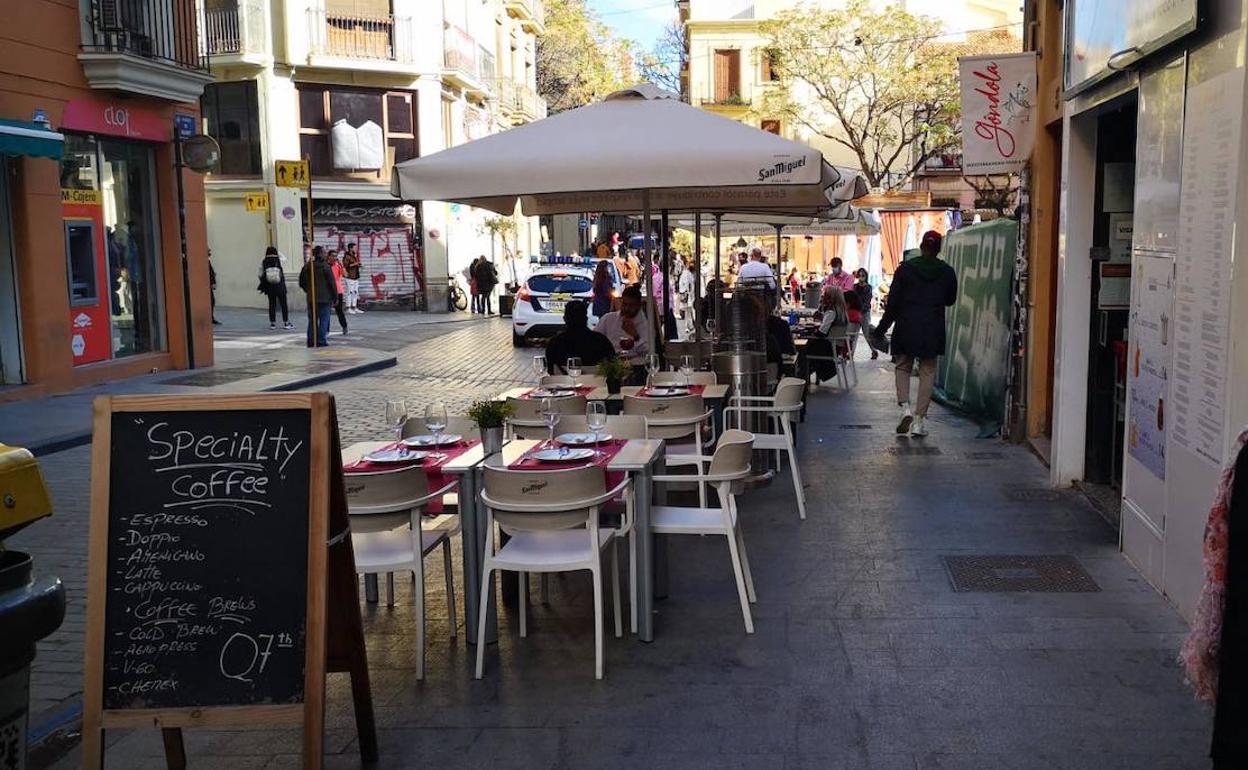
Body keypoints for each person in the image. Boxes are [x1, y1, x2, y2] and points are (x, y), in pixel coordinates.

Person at [876, 230, 958, 437]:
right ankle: (920, 421)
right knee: (927, 371)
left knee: (903, 366)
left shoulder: (905, 270)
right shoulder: (947, 272)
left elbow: (893, 302)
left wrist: (881, 328)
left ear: (922, 247)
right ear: (939, 249)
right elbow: (950, 300)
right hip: (932, 327)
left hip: (906, 325)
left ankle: (905, 408)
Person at [544, 300, 616, 374]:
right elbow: (613, 367)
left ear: (565, 319)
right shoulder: (601, 341)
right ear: (586, 319)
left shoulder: (555, 344)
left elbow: (551, 370)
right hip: (598, 384)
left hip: (563, 383)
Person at [595, 285, 650, 380]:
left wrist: (635, 335)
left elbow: (648, 352)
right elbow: (595, 340)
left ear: (639, 305)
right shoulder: (608, 319)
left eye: (631, 305)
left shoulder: (645, 325)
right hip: (612, 365)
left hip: (636, 367)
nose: (627, 309)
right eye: (624, 304)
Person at [298, 246, 335, 347]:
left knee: (312, 320)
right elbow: (331, 283)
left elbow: (301, 282)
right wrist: (334, 297)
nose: (325, 254)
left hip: (311, 298)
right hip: (325, 298)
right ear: (319, 254)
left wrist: (308, 290)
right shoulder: (325, 267)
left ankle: (311, 340)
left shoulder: (307, 266)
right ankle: (321, 340)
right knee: (324, 320)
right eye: (324, 252)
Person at [256, 246, 293, 330]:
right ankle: (286, 323)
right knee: (283, 304)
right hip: (280, 286)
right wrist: (278, 252)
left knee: (272, 304)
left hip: (270, 286)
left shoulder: (264, 261)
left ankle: (273, 323)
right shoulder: (279, 260)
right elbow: (285, 258)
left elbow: (259, 274)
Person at [853, 267, 878, 359]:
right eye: (859, 275)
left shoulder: (868, 287)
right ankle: (850, 353)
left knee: (866, 333)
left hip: (864, 313)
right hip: (856, 312)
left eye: (863, 275)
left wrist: (861, 311)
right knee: (853, 334)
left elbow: (867, 301)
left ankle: (873, 350)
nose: (861, 277)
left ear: (866, 276)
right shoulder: (854, 287)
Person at [327, 250, 348, 335]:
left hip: (338, 290)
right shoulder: (325, 266)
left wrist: (341, 266)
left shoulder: (338, 265)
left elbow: (345, 275)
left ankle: (344, 326)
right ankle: (326, 330)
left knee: (339, 310)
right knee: (326, 311)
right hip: (328, 291)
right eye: (332, 256)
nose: (334, 258)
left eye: (336, 256)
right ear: (328, 256)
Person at [678, 257, 696, 336]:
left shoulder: (688, 273)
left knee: (688, 312)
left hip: (688, 295)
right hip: (687, 296)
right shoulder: (686, 273)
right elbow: (686, 285)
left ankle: (689, 325)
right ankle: (688, 326)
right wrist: (688, 292)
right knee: (688, 311)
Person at [342, 243, 363, 313]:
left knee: (355, 292)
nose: (356, 249)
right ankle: (348, 307)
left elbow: (354, 264)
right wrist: (355, 264)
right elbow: (346, 265)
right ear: (350, 248)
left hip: (355, 276)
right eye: (354, 247)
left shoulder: (354, 255)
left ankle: (354, 306)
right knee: (349, 292)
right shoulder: (347, 256)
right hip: (349, 276)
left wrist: (358, 265)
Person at [208, 251, 221, 325]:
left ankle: (211, 317)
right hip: (207, 285)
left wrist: (213, 282)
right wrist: (213, 282)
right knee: (211, 301)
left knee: (212, 301)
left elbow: (211, 273)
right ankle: (210, 317)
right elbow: (210, 273)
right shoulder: (205, 262)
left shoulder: (208, 261)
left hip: (209, 285)